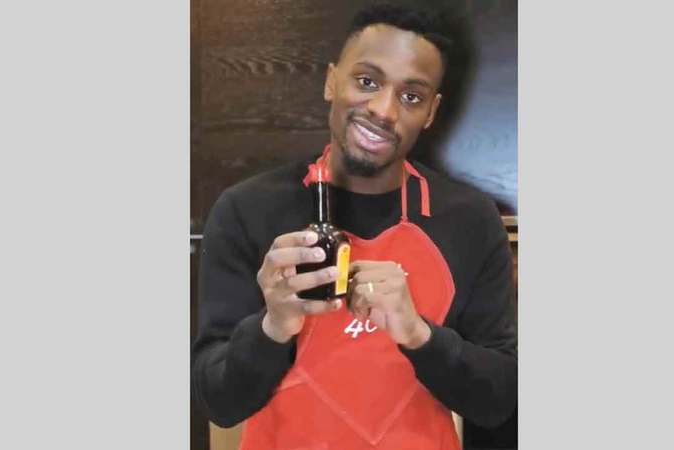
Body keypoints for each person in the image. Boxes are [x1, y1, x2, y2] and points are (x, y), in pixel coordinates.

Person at [192, 4, 517, 449]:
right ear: (331, 81)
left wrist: (418, 334)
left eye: (411, 96)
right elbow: (218, 402)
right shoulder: (245, 211)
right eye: (367, 81)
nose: (383, 110)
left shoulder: (471, 220)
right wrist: (273, 326)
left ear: (431, 112)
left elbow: (497, 401)